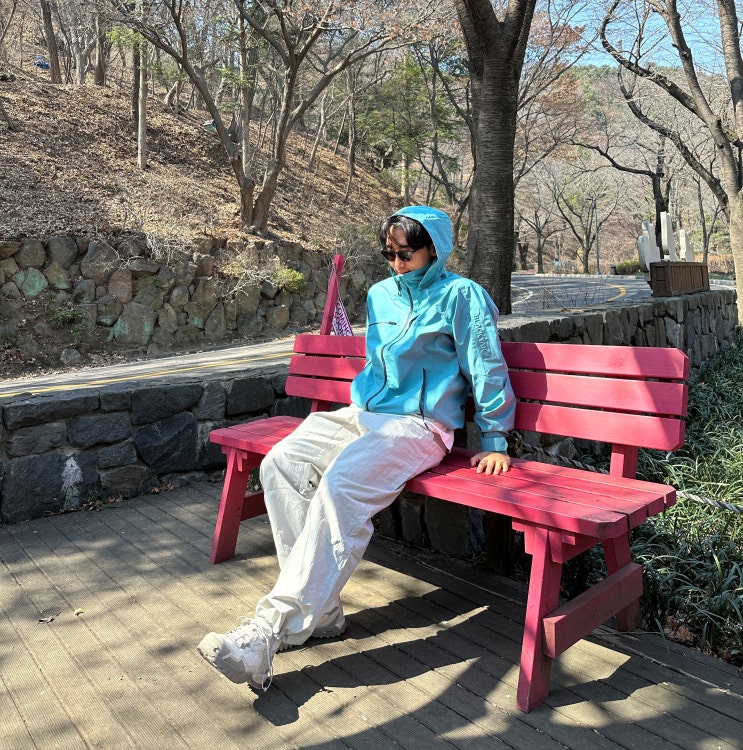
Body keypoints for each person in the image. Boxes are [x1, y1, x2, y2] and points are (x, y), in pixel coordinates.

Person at [197, 205, 516, 690]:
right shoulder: (380, 295)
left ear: (434, 249)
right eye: (388, 253)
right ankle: (322, 613)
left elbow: (486, 365)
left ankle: (268, 631)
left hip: (419, 426)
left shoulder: (461, 295)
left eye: (405, 254)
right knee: (282, 463)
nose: (396, 263)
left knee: (340, 486)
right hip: (363, 415)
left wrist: (494, 437)